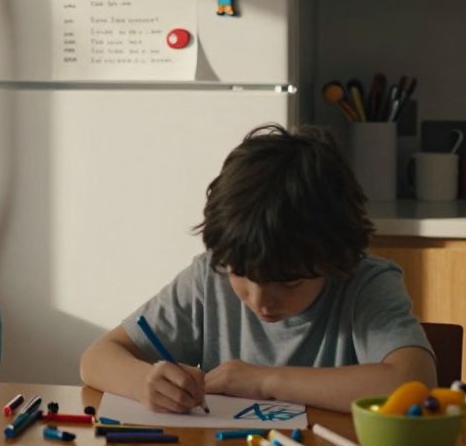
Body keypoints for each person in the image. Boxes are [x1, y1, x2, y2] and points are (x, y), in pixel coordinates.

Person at [79, 124, 435, 414]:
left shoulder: (365, 283)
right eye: (243, 276)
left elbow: (412, 386)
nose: (261, 301)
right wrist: (144, 382)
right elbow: (96, 358)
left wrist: (264, 382)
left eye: (289, 282)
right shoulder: (211, 277)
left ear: (335, 257)